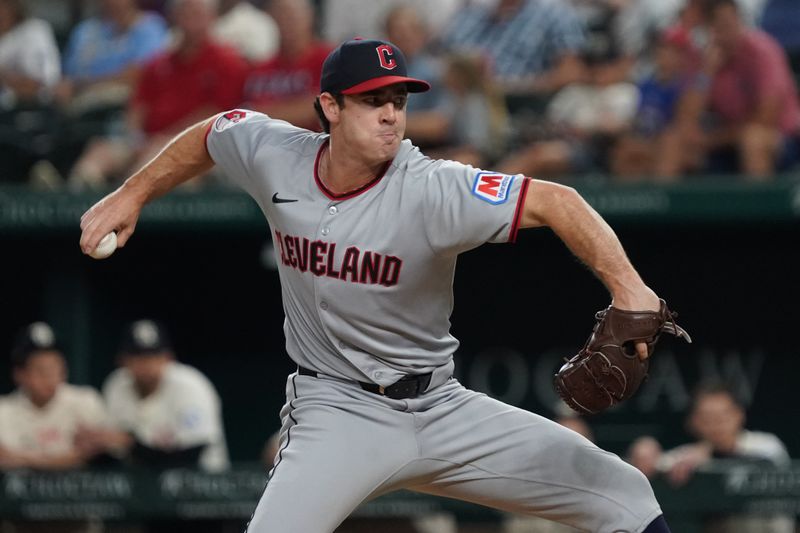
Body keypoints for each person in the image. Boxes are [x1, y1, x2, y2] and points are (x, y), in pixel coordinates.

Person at [80, 37, 676, 533]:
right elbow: (214, 132)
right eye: (372, 101)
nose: (391, 113)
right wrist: (131, 193)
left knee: (625, 496)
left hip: (442, 408)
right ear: (330, 107)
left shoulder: (433, 188)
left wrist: (630, 288)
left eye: (398, 99)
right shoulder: (277, 155)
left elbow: (558, 201)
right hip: (338, 410)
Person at [67, 0, 247, 189]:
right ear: (175, 17)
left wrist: (169, 138)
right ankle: (76, 201)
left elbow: (217, 114)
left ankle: (123, 206)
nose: (189, 20)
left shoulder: (228, 62)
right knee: (98, 155)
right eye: (184, 12)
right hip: (146, 139)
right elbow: (138, 106)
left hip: (198, 145)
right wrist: (135, 137)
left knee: (154, 159)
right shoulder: (159, 63)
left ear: (212, 18)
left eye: (196, 14)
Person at [627, 380, 794, 533]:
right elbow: (650, 463)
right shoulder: (688, 455)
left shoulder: (767, 444)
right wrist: (645, 448)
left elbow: (767, 463)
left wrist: (709, 456)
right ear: (692, 422)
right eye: (708, 418)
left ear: (739, 414)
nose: (717, 425)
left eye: (724, 416)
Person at [75, 319, 230, 472]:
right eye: (138, 357)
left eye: (154, 356)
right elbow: (116, 452)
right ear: (122, 360)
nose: (147, 365)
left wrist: (129, 444)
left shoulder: (190, 387)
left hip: (203, 485)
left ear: (169, 358)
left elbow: (191, 457)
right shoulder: (116, 385)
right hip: (144, 486)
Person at [0, 321, 108, 470]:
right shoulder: (3, 410)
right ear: (19, 374)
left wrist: (22, 459)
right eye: (41, 371)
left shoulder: (85, 400)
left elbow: (97, 453)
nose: (50, 378)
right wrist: (67, 459)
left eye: (56, 369)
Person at [241, 0, 333, 131]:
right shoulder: (260, 69)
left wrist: (261, 116)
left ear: (310, 17)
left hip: (313, 144)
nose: (286, 22)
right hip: (264, 146)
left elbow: (321, 106)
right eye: (280, 15)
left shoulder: (328, 59)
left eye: (292, 16)